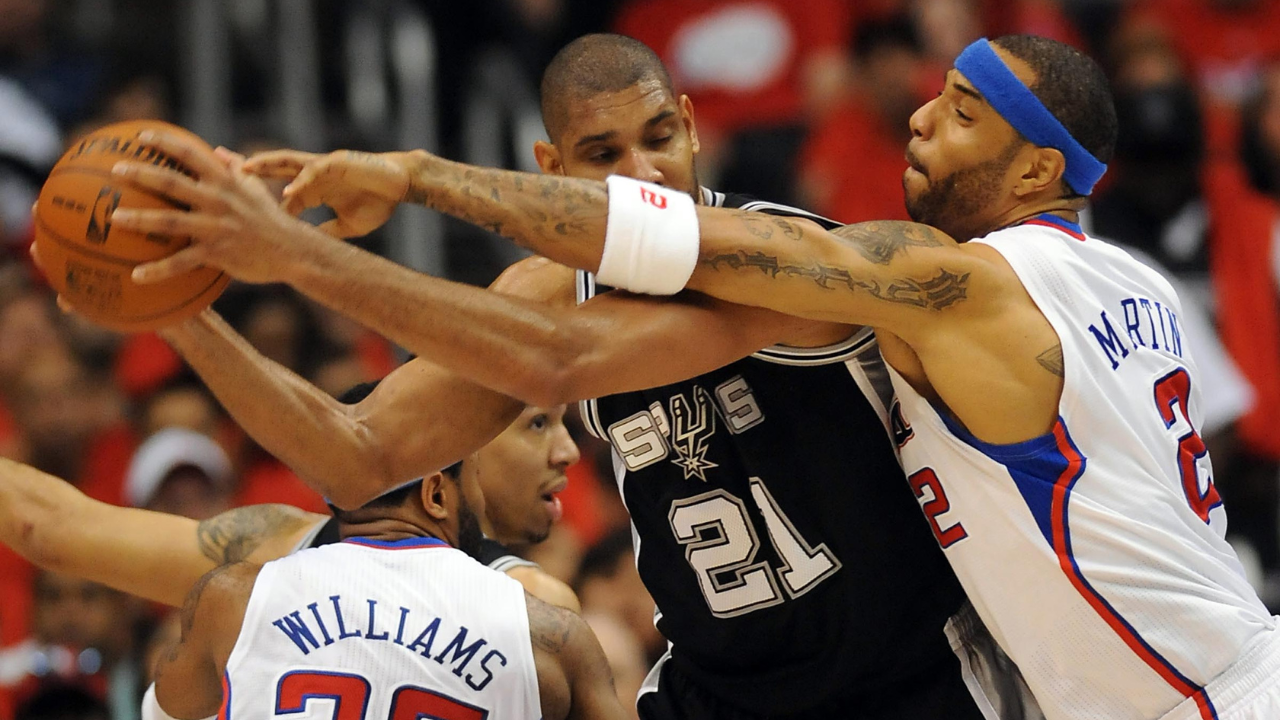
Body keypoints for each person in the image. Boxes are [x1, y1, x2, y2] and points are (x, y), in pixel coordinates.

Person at [164, 34, 1280, 719]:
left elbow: (565, 361)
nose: (641, 174)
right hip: (721, 693)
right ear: (552, 170)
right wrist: (185, 312)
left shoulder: (815, 271)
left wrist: (335, 233)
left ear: (694, 131)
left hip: (912, 690)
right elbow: (355, 456)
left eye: (657, 141)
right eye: (601, 160)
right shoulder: (1093, 283)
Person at [0, 380, 580, 612]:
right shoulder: (532, 604)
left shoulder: (270, 553)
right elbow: (46, 527)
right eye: (536, 424)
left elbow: (47, 527)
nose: (568, 451)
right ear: (460, 441)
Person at [146, 461, 625, 720]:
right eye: (470, 486)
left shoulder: (236, 597)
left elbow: (164, 709)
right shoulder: (549, 635)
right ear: (436, 494)